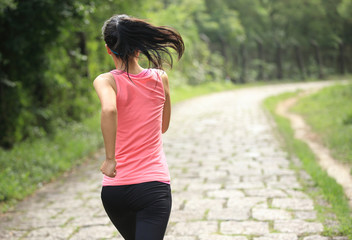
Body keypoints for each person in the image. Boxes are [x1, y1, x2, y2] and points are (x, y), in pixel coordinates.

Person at [92, 14, 184, 240]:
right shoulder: (160, 78)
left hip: (115, 191)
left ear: (108, 49)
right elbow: (163, 126)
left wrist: (111, 158)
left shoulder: (106, 81)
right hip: (152, 187)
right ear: (138, 48)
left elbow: (109, 109)